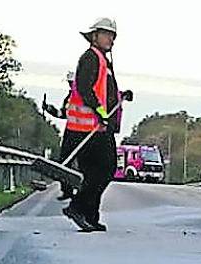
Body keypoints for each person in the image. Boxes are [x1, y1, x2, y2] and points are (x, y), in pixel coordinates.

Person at [61, 17, 131, 233]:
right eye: (106, 34)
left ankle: (90, 215)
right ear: (95, 36)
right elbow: (85, 88)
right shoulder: (91, 58)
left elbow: (104, 92)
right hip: (89, 128)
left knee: (94, 172)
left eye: (112, 36)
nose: (111, 39)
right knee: (106, 169)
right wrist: (101, 114)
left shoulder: (101, 60)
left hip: (97, 127)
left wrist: (121, 95)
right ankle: (78, 207)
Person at [42, 72, 78, 201]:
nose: (70, 85)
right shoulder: (69, 97)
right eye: (69, 83)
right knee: (64, 162)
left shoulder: (87, 94)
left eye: (72, 82)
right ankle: (67, 190)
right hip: (71, 131)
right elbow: (62, 113)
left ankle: (84, 191)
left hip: (86, 131)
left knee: (85, 163)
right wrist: (50, 109)